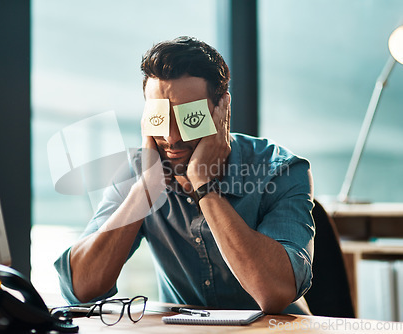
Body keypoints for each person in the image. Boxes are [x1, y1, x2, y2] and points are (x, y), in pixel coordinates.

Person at [55, 36, 315, 314]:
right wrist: (145, 189)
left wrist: (203, 186)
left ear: (222, 110)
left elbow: (274, 293)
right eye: (160, 117)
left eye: (190, 118)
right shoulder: (138, 172)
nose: (172, 137)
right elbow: (80, 290)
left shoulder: (281, 170)